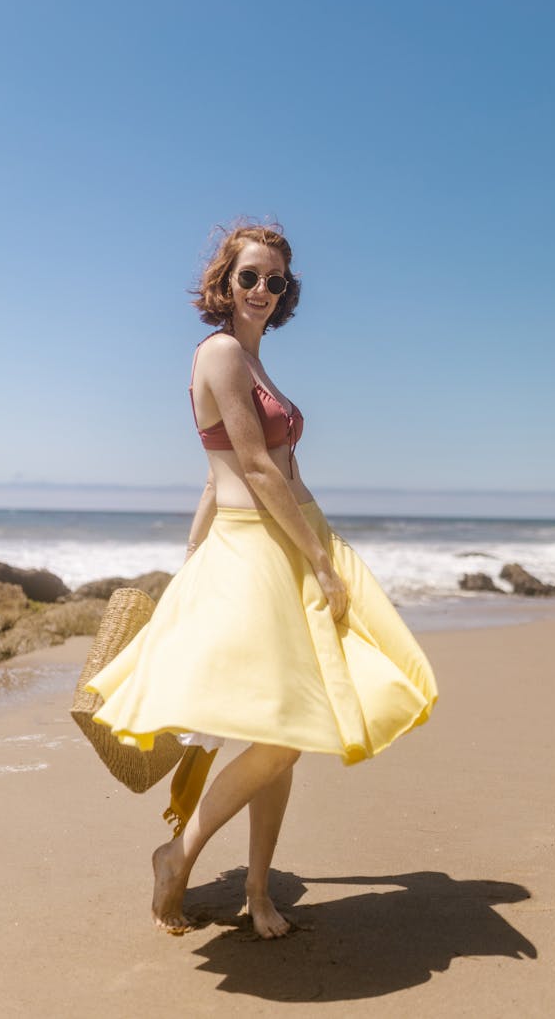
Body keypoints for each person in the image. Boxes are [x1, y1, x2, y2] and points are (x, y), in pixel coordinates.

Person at [87, 221, 438, 939]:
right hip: (260, 549)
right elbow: (249, 468)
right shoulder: (218, 352)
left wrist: (311, 547)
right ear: (225, 281)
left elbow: (223, 477)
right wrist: (308, 556)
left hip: (286, 539)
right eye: (249, 276)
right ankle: (176, 853)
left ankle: (258, 890)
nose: (262, 290)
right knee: (282, 729)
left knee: (291, 727)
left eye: (275, 281)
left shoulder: (257, 364)